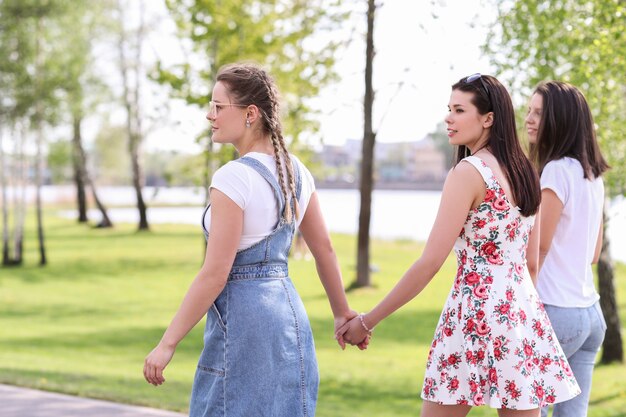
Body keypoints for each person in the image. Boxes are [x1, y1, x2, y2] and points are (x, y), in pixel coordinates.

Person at [337, 74, 581, 417]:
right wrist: (520, 315)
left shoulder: (469, 172)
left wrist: (368, 320)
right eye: (448, 109)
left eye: (459, 110)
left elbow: (430, 263)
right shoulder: (526, 170)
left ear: (488, 118)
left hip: (474, 314)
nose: (448, 118)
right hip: (520, 314)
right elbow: (531, 262)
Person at [143, 63, 365, 417]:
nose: (209, 115)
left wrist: (167, 344)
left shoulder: (232, 177)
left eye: (219, 107)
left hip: (245, 325)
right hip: (288, 318)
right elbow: (324, 250)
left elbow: (215, 273)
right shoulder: (298, 171)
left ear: (250, 114)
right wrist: (341, 313)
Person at [525, 81, 609, 417]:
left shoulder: (556, 171)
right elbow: (593, 252)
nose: (529, 119)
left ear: (560, 120)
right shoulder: (593, 175)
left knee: (529, 411)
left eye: (539, 113)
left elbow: (539, 249)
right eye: (528, 111)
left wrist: (521, 308)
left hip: (554, 310)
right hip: (589, 315)